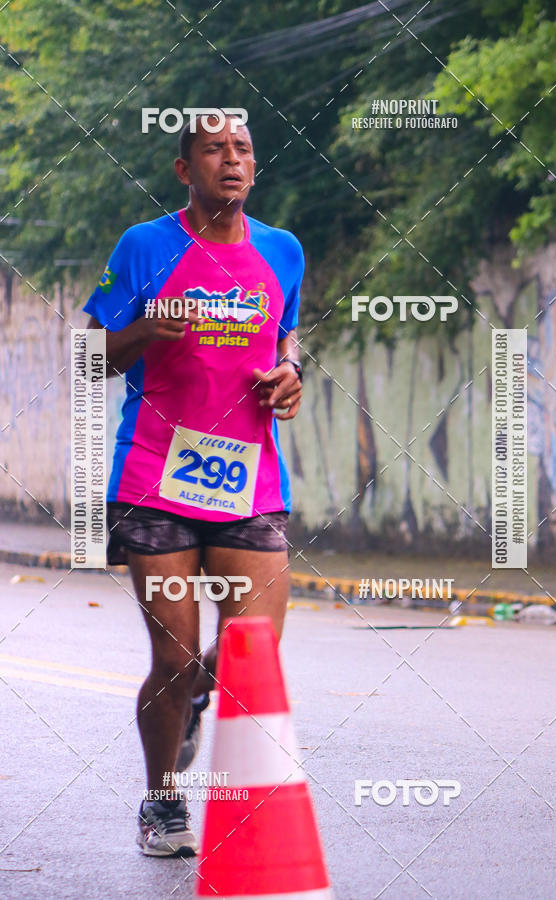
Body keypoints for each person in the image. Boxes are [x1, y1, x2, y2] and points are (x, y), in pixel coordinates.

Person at [84, 111, 304, 856]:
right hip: (155, 476)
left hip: (250, 479)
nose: (231, 160)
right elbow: (92, 357)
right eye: (213, 149)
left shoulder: (283, 249)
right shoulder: (145, 246)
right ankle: (162, 802)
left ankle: (199, 694)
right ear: (186, 169)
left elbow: (286, 331)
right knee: (171, 659)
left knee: (253, 650)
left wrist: (292, 372)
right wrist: (146, 329)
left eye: (242, 149)